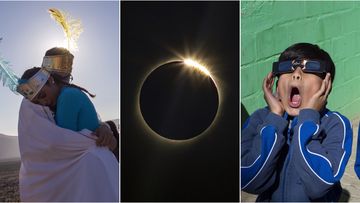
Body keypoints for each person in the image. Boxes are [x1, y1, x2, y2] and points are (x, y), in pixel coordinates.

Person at [241, 43, 352, 201]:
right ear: (277, 84)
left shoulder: (336, 124)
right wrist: (275, 119)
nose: (297, 74)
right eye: (288, 69)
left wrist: (308, 120)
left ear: (326, 85)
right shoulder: (261, 119)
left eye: (308, 70)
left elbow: (319, 185)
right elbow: (248, 179)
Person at [17, 47, 119, 201]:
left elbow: (63, 141)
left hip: (91, 168)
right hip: (95, 165)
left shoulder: (67, 96)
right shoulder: (63, 95)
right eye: (38, 100)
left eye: (43, 96)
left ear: (50, 79)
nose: (43, 102)